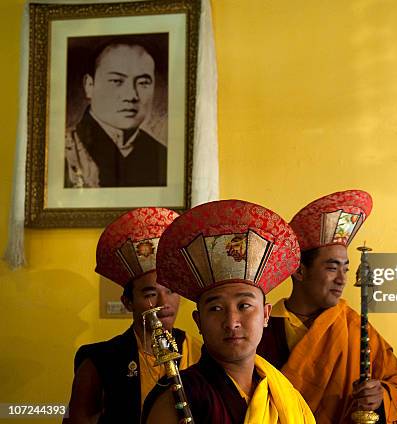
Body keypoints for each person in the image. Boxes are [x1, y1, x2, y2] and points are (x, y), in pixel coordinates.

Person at [257, 190, 397, 423]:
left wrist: (381, 397)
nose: (342, 279)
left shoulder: (355, 328)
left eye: (345, 268)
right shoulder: (262, 329)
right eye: (332, 267)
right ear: (299, 271)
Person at [142, 200, 315, 424]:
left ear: (265, 315)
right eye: (216, 308)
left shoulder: (282, 393)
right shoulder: (180, 396)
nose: (232, 321)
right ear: (198, 321)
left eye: (244, 306)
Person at [64, 207, 201, 424]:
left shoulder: (197, 351)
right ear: (128, 302)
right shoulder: (100, 361)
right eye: (150, 293)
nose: (164, 304)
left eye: (171, 291)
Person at [65, 38, 167, 188]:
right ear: (89, 85)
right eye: (116, 81)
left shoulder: (163, 155)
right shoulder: (62, 151)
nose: (131, 95)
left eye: (143, 83)